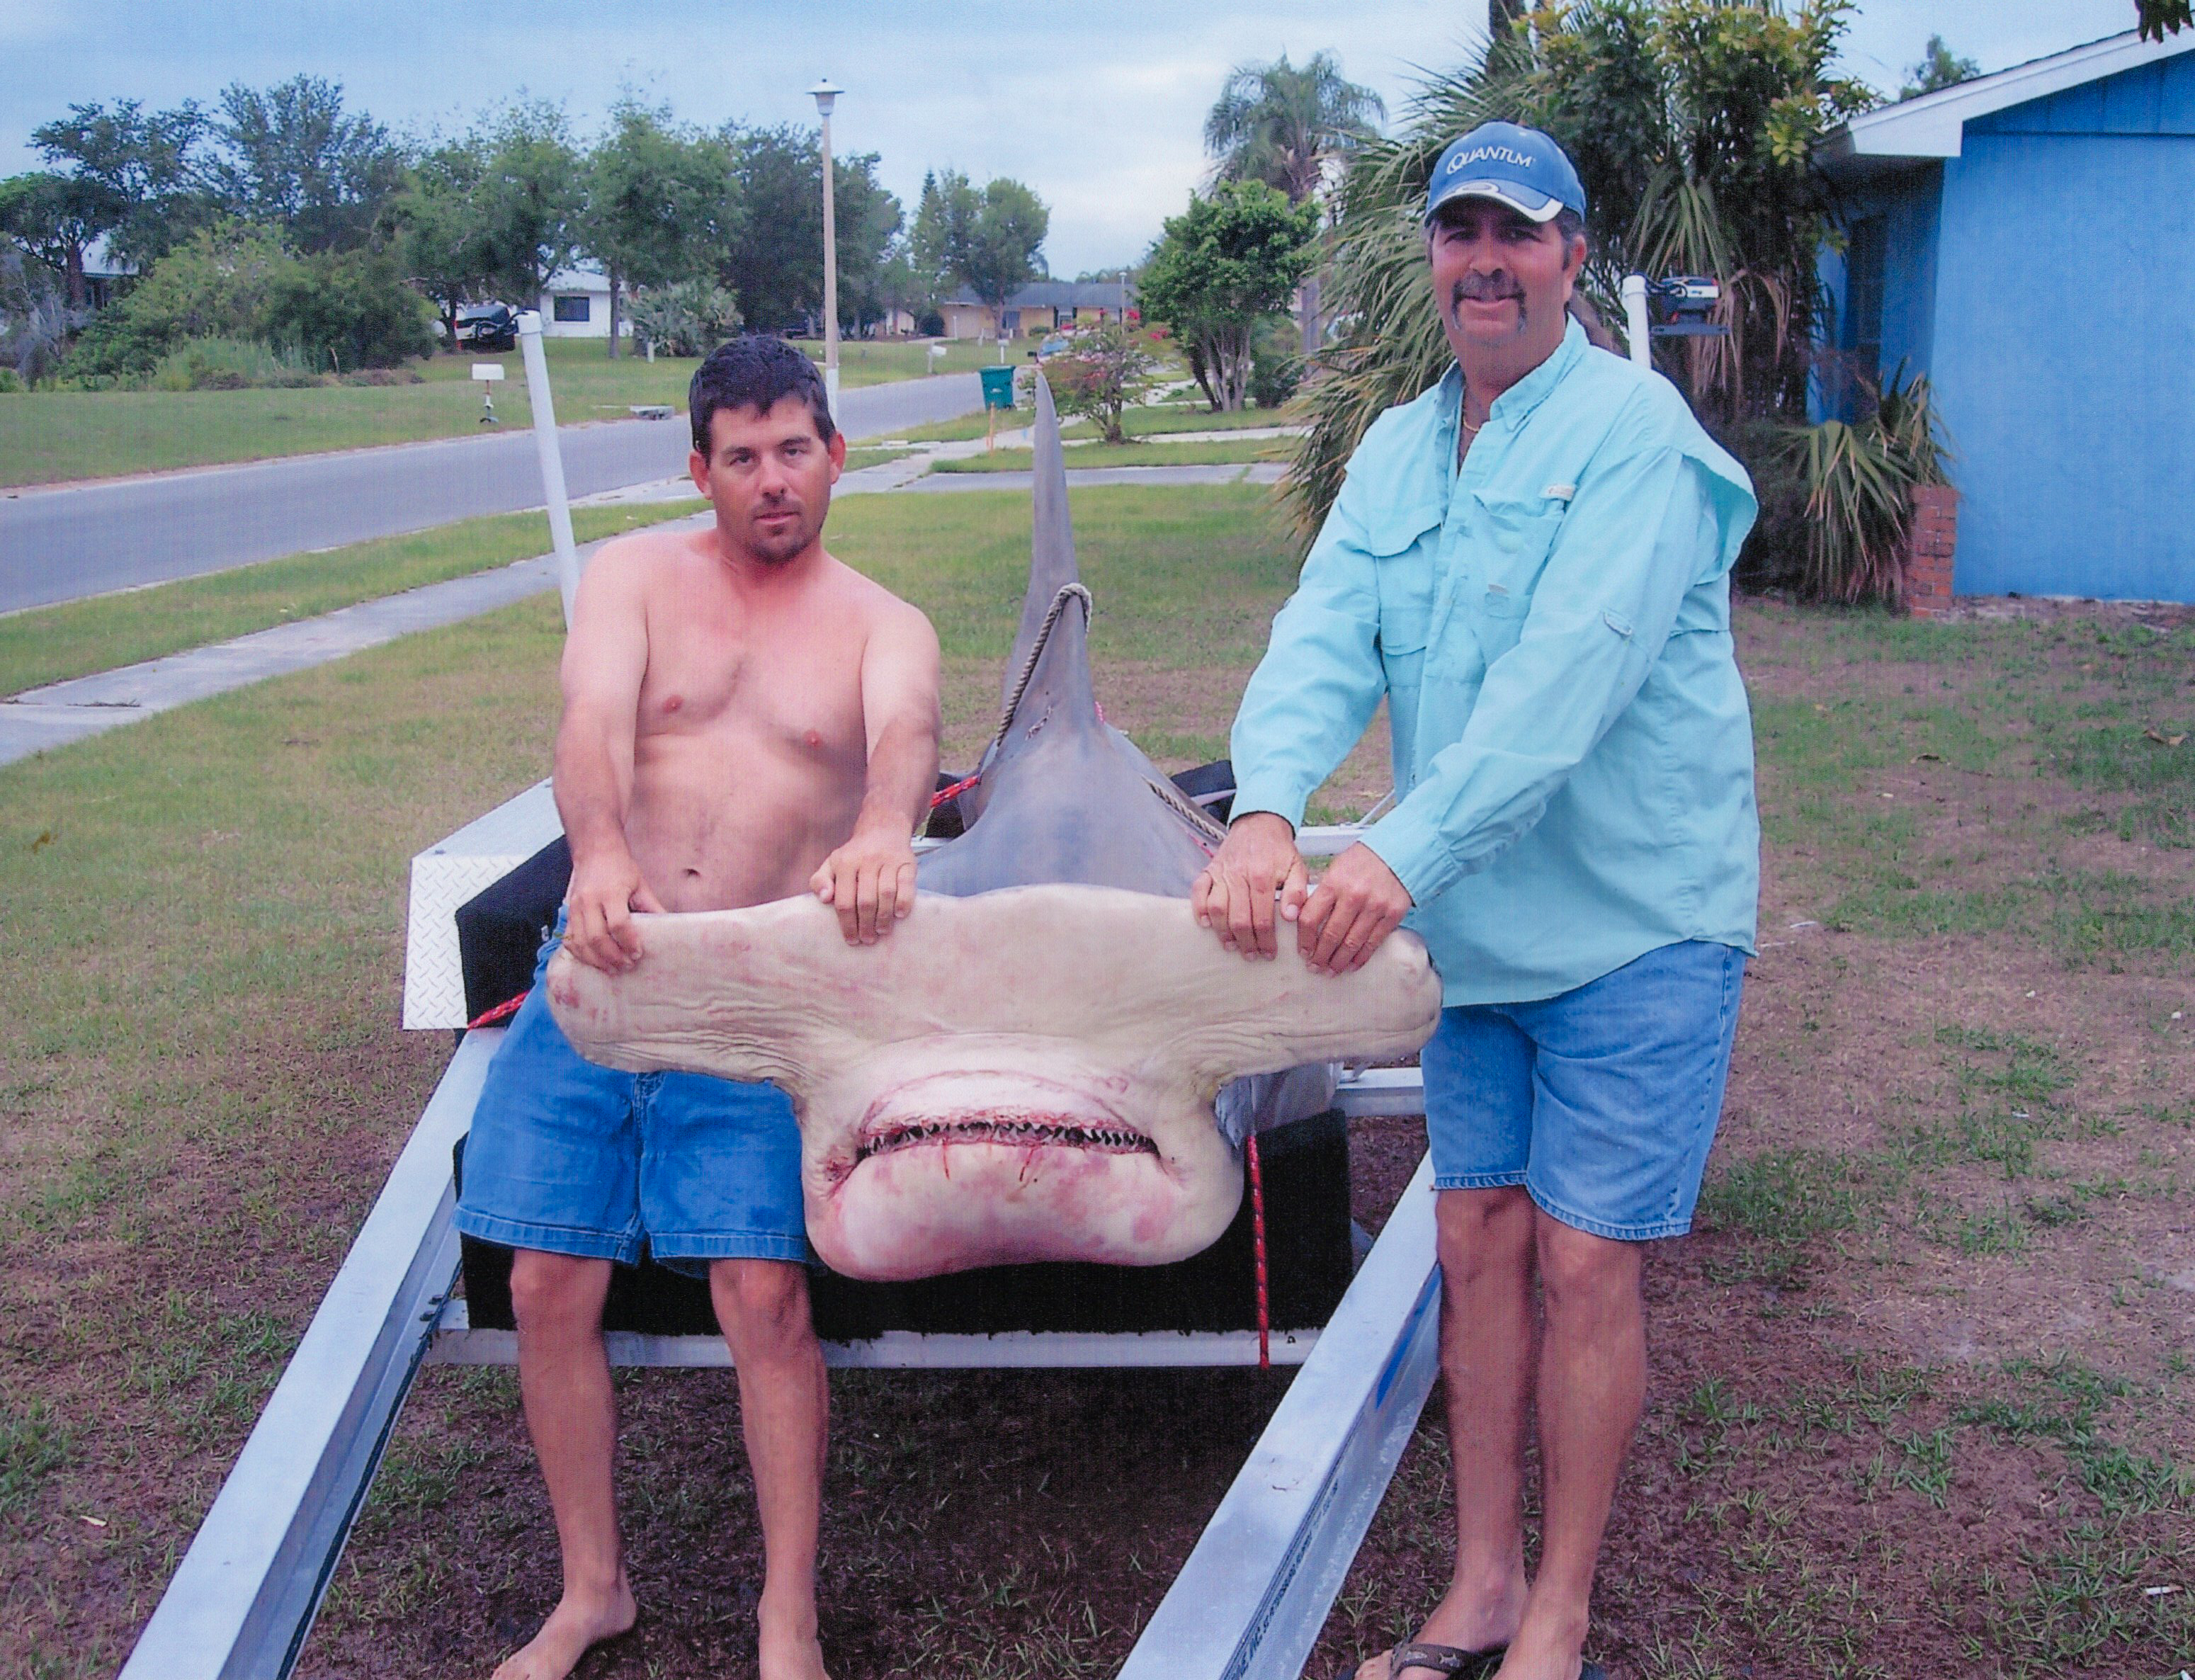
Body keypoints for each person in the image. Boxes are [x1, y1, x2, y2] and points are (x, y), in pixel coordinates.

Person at [1191, 123, 1759, 1680]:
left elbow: (1560, 688)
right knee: (1474, 1239)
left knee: (1583, 1257)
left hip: (1639, 919)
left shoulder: (1633, 433)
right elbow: (1325, 635)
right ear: (1431, 257)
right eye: (1458, 232)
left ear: (1575, 255)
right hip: (1480, 933)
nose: (1484, 260)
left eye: (1517, 230)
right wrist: (1262, 808)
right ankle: (1483, 1583)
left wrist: (1390, 853)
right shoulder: (1393, 446)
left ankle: (1558, 1616)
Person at [453, 335, 942, 1680]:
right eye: (743, 458)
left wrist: (887, 828)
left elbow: (906, 736)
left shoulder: (881, 623)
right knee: (548, 1279)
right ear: (700, 468)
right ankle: (590, 1591)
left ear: (836, 454)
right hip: (603, 961)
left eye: (797, 450)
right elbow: (589, 721)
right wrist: (599, 855)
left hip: (756, 983)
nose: (773, 480)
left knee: (761, 1294)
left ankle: (789, 1616)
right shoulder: (633, 577)